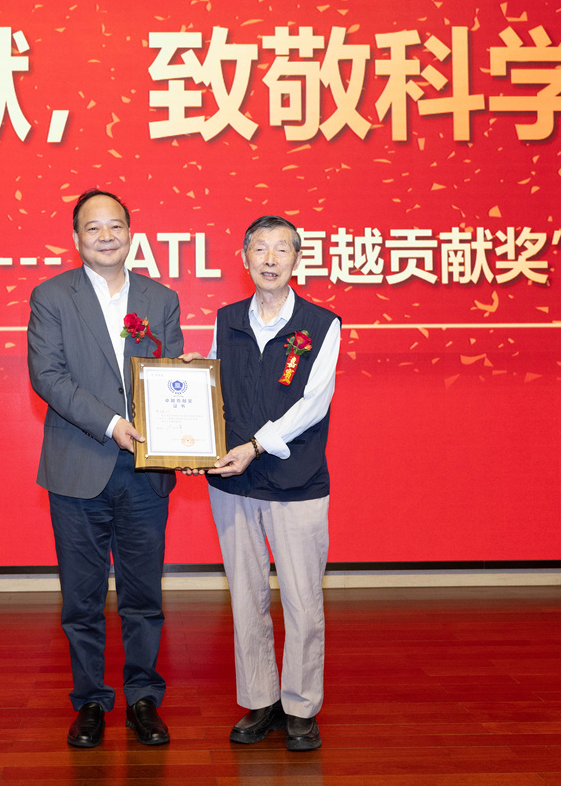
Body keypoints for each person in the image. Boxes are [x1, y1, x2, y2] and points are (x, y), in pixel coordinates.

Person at [27, 188, 184, 749]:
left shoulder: (160, 298)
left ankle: (143, 699)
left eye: (115, 226)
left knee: (143, 596)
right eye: (93, 228)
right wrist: (113, 422)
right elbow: (48, 376)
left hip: (144, 471)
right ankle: (90, 701)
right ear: (76, 238)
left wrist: (186, 412)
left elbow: (170, 375)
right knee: (82, 598)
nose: (106, 236)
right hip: (78, 466)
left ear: (130, 233)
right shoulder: (51, 296)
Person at [183, 215, 341, 752]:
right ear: (244, 258)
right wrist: (191, 391)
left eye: (281, 249)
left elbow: (313, 404)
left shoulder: (322, 324)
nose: (270, 259)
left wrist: (255, 445)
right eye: (260, 249)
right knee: (246, 596)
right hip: (233, 481)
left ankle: (300, 705)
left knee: (302, 600)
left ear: (297, 259)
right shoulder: (227, 319)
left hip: (296, 480)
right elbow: (213, 385)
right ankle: (260, 699)